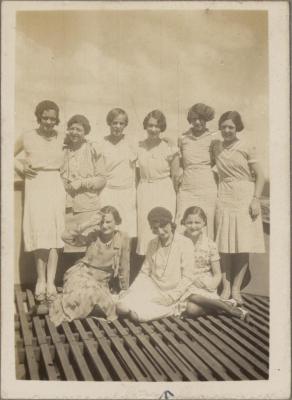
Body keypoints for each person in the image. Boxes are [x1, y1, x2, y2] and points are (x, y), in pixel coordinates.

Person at [211, 111, 265, 305]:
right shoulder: (216, 147)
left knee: (243, 244)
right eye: (224, 126)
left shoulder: (246, 146)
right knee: (223, 244)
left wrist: (255, 199)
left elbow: (260, 176)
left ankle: (236, 288)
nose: (227, 130)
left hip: (244, 194)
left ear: (237, 128)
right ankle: (225, 287)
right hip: (224, 194)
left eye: (231, 127)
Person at [14, 100, 65, 303]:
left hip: (55, 184)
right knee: (39, 233)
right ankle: (40, 280)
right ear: (39, 117)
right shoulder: (27, 136)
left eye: (53, 119)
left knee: (54, 234)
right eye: (45, 118)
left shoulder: (63, 137)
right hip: (35, 185)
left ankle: (51, 281)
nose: (49, 122)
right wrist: (19, 168)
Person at [48, 206, 130, 326]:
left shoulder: (122, 238)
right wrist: (88, 223)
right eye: (101, 222)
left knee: (91, 294)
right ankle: (63, 307)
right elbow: (66, 237)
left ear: (116, 221)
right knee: (82, 293)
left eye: (108, 222)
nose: (104, 226)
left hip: (100, 281)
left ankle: (56, 306)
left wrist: (124, 288)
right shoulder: (94, 235)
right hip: (81, 273)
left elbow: (124, 264)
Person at [116, 207, 195, 322]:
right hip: (152, 288)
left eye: (163, 226)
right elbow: (145, 272)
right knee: (121, 307)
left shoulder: (185, 243)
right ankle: (141, 304)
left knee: (136, 316)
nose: (160, 231)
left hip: (173, 293)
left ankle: (164, 309)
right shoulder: (152, 243)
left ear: (170, 223)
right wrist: (132, 290)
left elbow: (188, 277)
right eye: (155, 228)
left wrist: (171, 297)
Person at [180, 206, 249, 320]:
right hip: (185, 281)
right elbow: (176, 268)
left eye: (197, 222)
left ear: (204, 223)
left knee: (192, 309)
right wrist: (191, 279)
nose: (193, 226)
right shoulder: (179, 242)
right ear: (184, 223)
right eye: (189, 222)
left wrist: (212, 285)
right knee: (191, 305)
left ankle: (223, 305)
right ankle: (228, 308)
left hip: (205, 282)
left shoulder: (210, 244)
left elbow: (217, 273)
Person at [61, 114, 106, 255]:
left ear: (85, 132)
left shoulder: (93, 149)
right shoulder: (64, 150)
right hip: (67, 207)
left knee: (88, 247)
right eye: (72, 129)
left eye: (79, 129)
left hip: (88, 206)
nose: (74, 132)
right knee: (68, 246)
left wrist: (80, 183)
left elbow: (102, 179)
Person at [136, 110, 180, 255]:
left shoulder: (169, 147)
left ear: (162, 127)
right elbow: (136, 174)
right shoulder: (138, 146)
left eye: (157, 126)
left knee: (163, 227)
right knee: (146, 230)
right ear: (145, 126)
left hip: (164, 190)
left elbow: (175, 176)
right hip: (144, 190)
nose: (153, 129)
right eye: (150, 125)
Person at [176, 103, 219, 239]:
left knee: (207, 225)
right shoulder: (183, 138)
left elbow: (218, 164)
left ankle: (205, 258)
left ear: (206, 120)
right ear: (190, 120)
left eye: (201, 119)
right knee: (182, 224)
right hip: (187, 188)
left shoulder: (213, 138)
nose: (198, 122)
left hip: (207, 187)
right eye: (194, 119)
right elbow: (180, 163)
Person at [98, 108, 137, 238]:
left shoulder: (132, 143)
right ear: (109, 123)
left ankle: (125, 258)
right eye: (114, 123)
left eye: (121, 123)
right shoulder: (101, 143)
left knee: (128, 230)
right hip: (107, 192)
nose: (118, 126)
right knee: (107, 227)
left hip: (127, 193)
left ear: (125, 125)